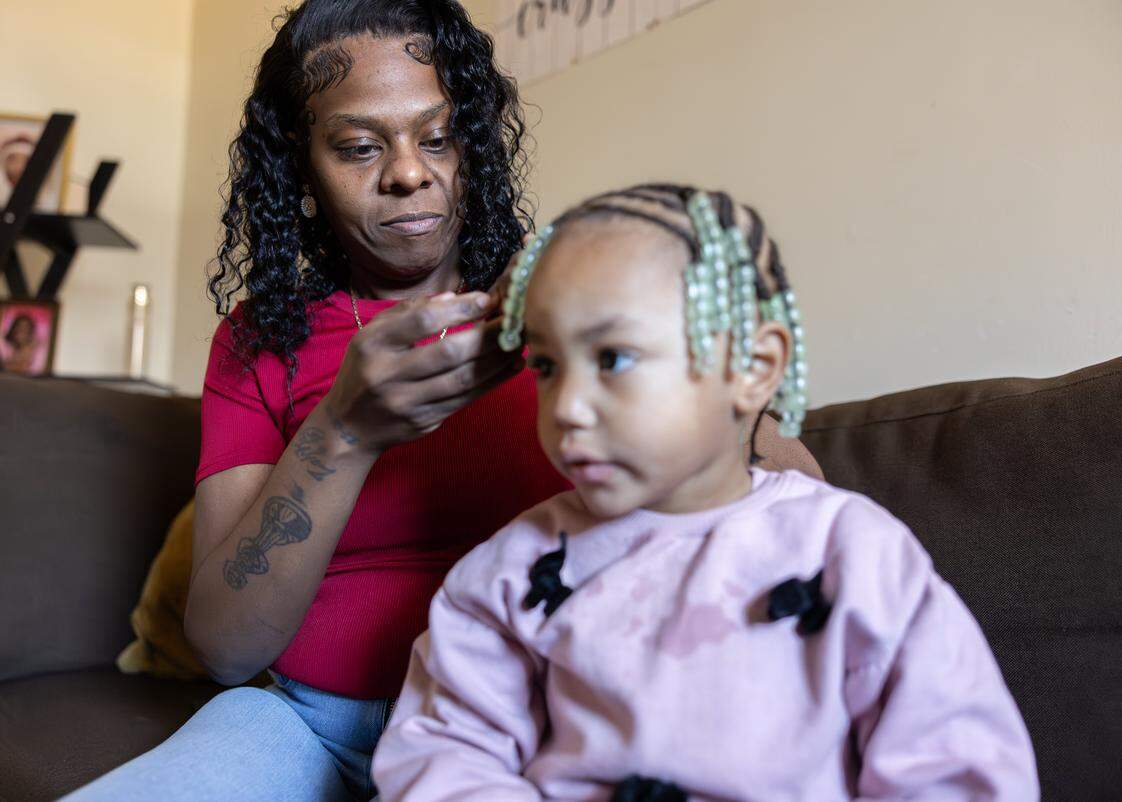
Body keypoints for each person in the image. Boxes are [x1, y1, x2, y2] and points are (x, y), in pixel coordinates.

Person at [63, 4, 819, 801]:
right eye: (358, 146)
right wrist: (345, 431)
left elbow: (802, 499)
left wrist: (612, 330)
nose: (409, 173)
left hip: (527, 717)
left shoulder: (564, 301)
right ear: (301, 162)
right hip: (304, 722)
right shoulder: (262, 340)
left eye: (439, 136)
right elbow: (222, 647)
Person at [371, 184, 1039, 801]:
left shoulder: (853, 554)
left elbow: (954, 765)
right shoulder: (508, 575)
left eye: (613, 359)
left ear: (751, 367)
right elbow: (445, 756)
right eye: (546, 366)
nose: (567, 406)